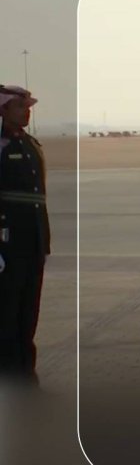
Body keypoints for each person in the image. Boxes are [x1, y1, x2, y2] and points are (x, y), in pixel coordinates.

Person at [0, 85, 48, 385]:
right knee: (7, 308)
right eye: (20, 106)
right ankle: (9, 372)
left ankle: (25, 368)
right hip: (8, 242)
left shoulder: (31, 144)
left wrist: (44, 240)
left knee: (29, 308)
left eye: (28, 106)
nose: (26, 111)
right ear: (3, 110)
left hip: (33, 240)